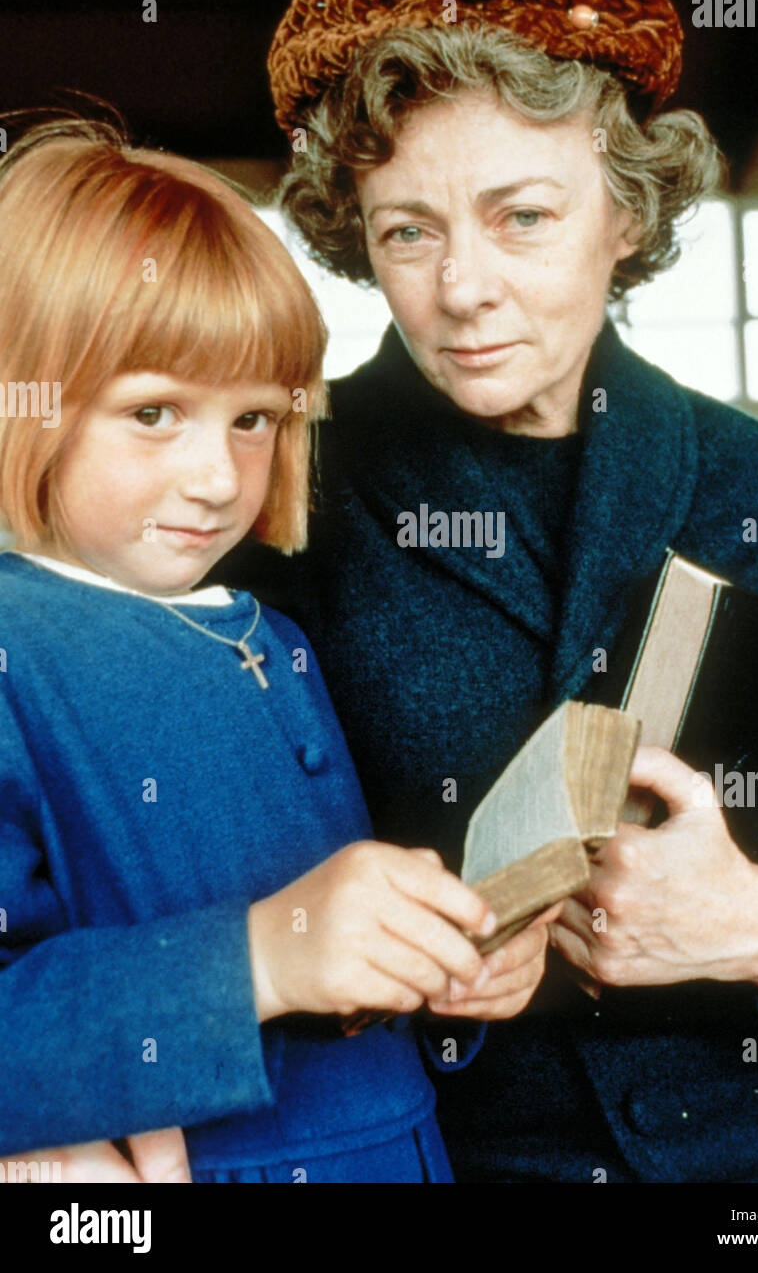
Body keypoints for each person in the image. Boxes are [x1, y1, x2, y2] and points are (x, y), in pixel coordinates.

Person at [35, 0, 758, 1184]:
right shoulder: (270, 491)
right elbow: (115, 864)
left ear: (626, 212)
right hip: (444, 1159)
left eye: (524, 218)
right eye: (408, 231)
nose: (463, 288)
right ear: (354, 237)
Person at [0, 117, 555, 1183]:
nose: (216, 474)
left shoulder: (272, 634)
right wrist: (260, 956)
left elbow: (335, 955)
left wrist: (433, 956)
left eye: (254, 419)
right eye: (154, 411)